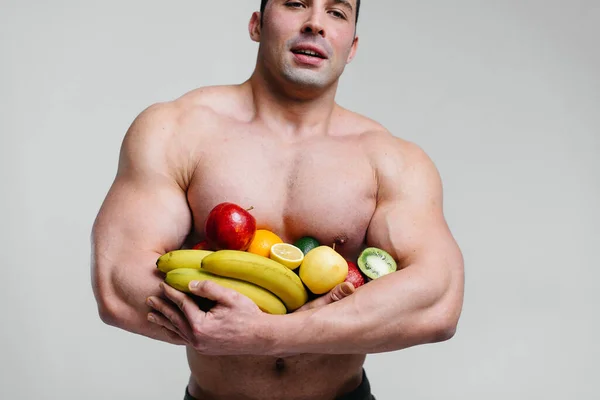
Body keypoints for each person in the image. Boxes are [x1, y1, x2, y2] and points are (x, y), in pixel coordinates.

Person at [91, 0, 465, 399]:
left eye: (336, 12)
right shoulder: (176, 130)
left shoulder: (392, 160)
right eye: (295, 3)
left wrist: (269, 334)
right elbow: (119, 282)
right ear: (256, 24)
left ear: (352, 46)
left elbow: (438, 302)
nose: (315, 23)